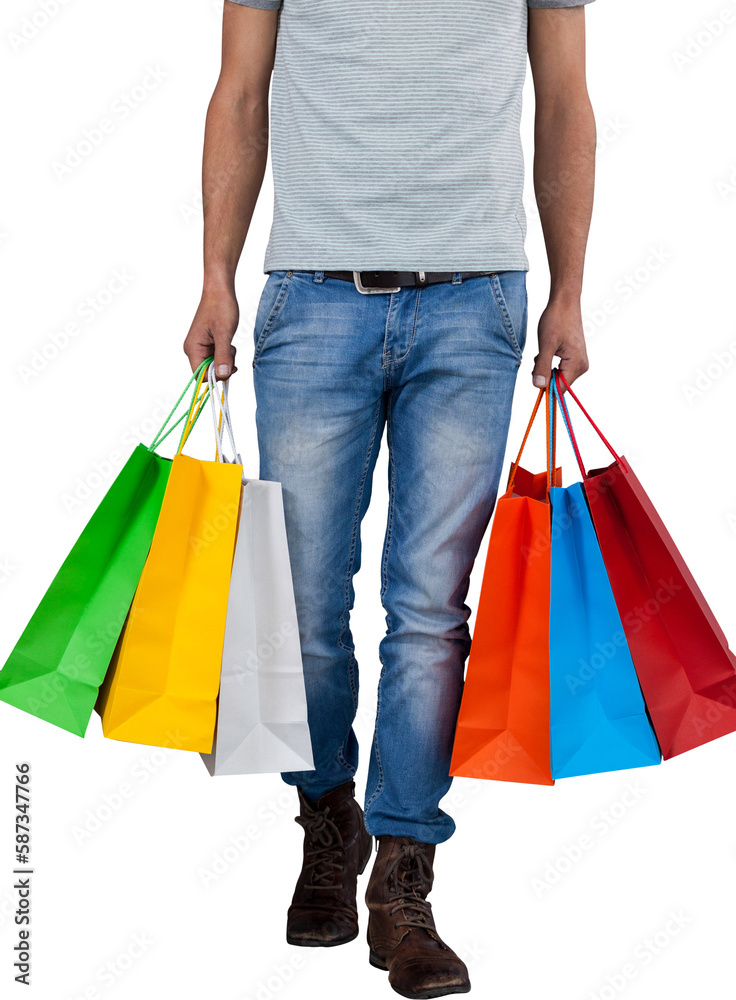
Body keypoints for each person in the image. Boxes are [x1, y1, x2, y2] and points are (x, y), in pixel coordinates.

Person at [184, 2, 595, 996]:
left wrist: (570, 288)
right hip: (312, 296)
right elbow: (240, 94)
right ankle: (329, 816)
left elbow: (564, 100)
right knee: (304, 606)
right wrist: (214, 276)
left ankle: (402, 880)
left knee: (427, 611)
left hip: (474, 301)